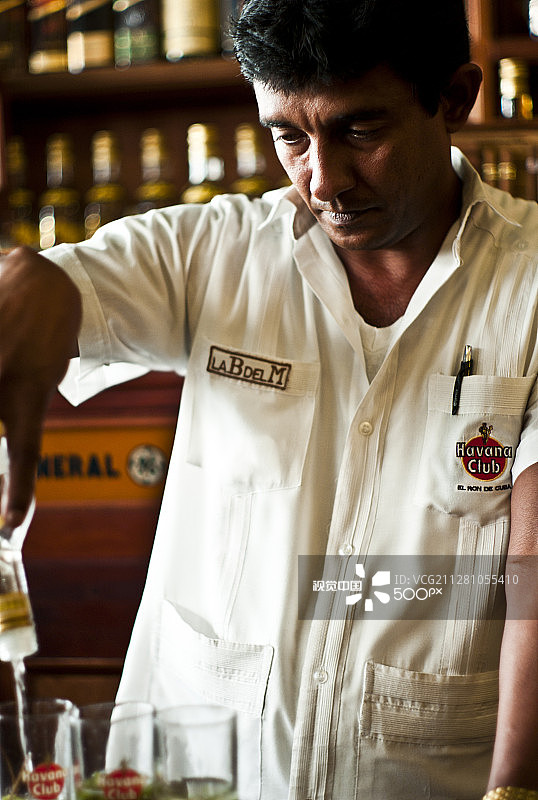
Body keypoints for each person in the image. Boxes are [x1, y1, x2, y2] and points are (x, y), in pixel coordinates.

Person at [0, 0, 537, 797]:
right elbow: (48, 285)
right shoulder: (210, 254)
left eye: (361, 131)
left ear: (454, 98)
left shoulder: (527, 283)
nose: (324, 179)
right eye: (289, 134)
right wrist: (21, 287)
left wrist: (515, 783)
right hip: (191, 778)